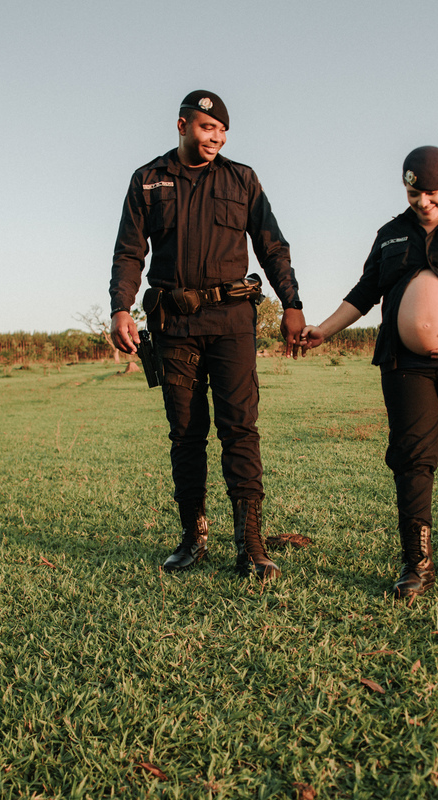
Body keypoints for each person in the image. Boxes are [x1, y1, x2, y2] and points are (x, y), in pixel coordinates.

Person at [301, 146, 438, 597]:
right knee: (412, 458)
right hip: (406, 366)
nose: (423, 202)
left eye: (432, 194)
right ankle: (416, 564)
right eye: (414, 193)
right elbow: (364, 292)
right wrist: (324, 329)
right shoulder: (391, 234)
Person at [109, 90, 305, 581]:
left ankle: (251, 544)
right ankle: (193, 536)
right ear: (182, 126)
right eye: (205, 128)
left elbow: (272, 245)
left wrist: (292, 303)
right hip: (173, 325)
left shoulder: (242, 180)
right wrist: (120, 308)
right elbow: (129, 251)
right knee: (186, 434)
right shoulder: (148, 181)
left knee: (240, 428)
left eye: (221, 131)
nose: (214, 136)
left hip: (232, 323)